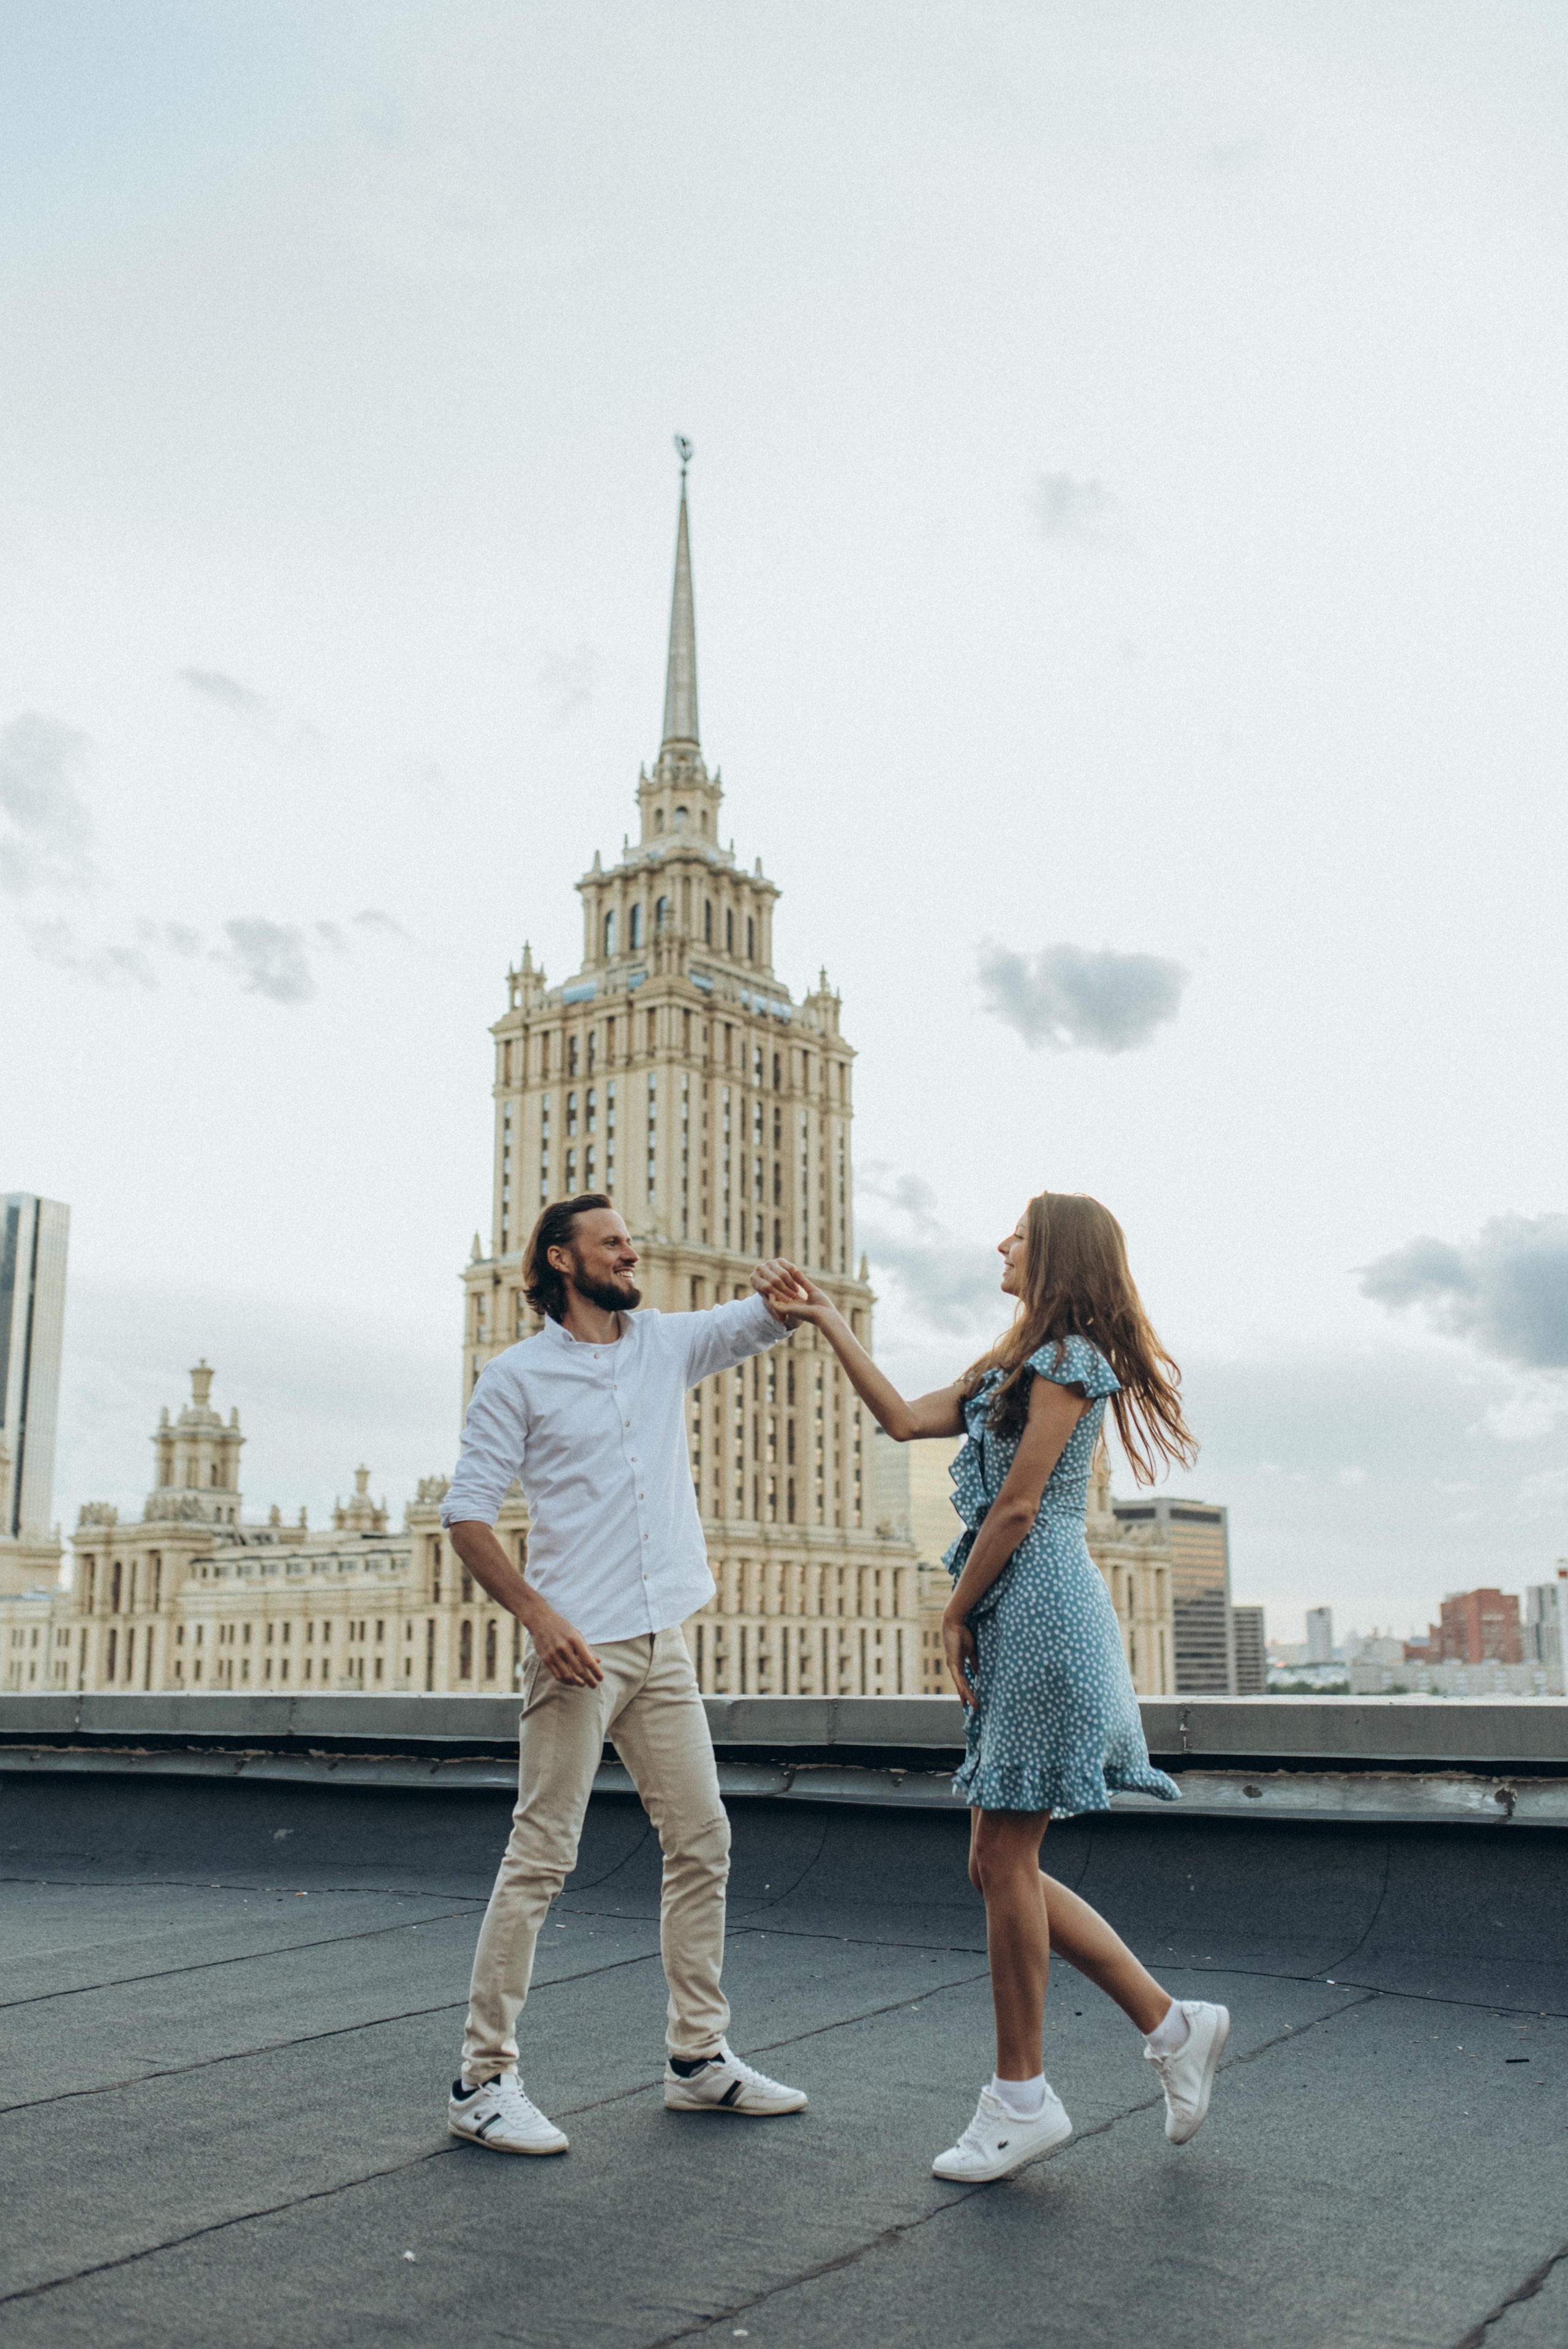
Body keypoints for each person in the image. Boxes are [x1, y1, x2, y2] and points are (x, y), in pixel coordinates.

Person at [758, 1191, 1229, 2184]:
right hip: (1024, 1610)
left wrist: (956, 1609)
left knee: (1004, 1857)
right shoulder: (1012, 1362)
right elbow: (899, 1421)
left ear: (1053, 1253)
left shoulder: (1067, 1362)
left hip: (1043, 1607)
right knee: (995, 1860)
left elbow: (1017, 1508)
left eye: (1017, 1233)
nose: (1000, 1244)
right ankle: (1171, 2025)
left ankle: (1023, 2096)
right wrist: (829, 1319)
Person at [441, 1193, 807, 2156]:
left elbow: (751, 1324)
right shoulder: (515, 1377)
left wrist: (782, 1297)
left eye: (628, 1240)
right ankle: (481, 2080)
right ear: (563, 1261)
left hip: (663, 1641)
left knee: (702, 1839)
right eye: (612, 1242)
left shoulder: (660, 1344)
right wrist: (540, 1617)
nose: (630, 1251)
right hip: (580, 1650)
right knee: (541, 1859)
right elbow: (468, 1516)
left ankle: (699, 2059)